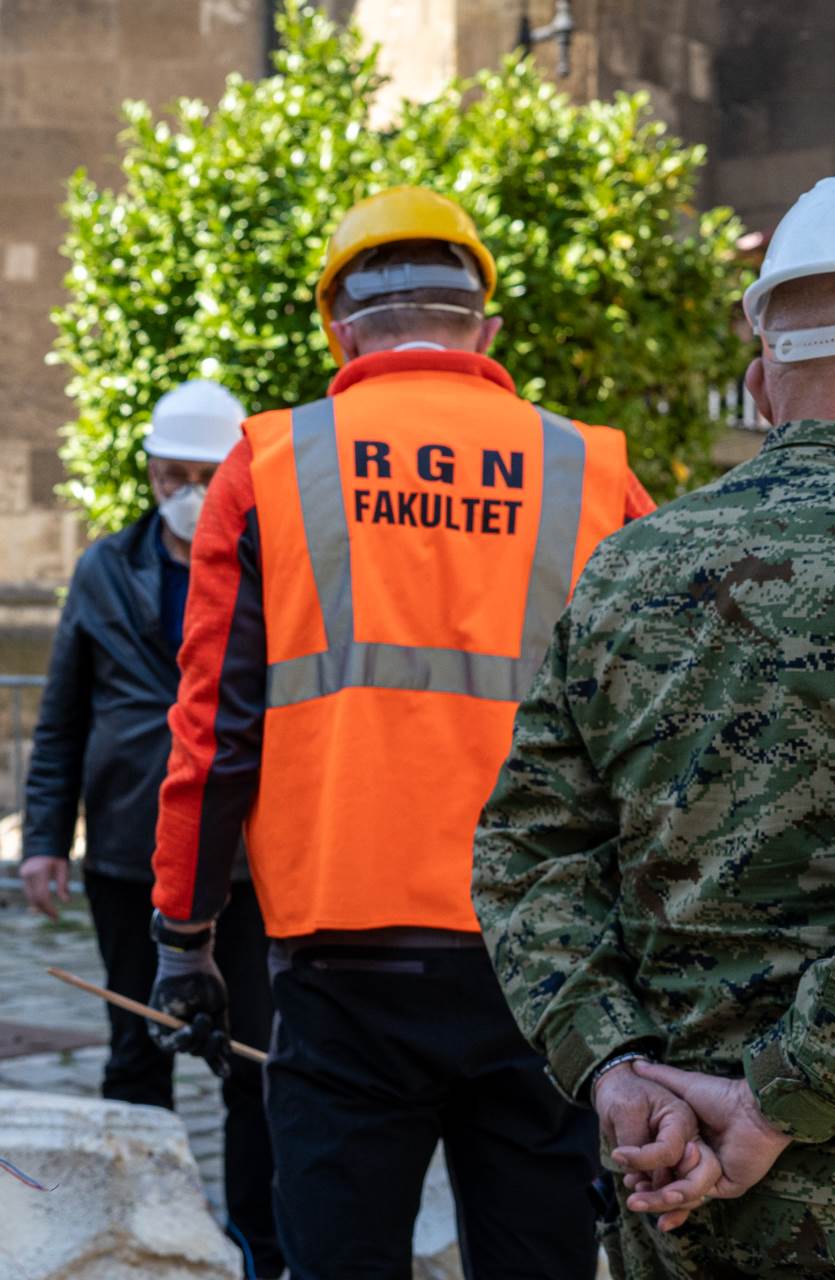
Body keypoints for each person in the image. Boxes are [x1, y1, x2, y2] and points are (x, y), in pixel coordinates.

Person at [148, 187, 658, 1279]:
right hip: (544, 959)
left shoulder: (271, 464)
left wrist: (183, 937)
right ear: (486, 328)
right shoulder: (591, 471)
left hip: (345, 962)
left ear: (338, 326)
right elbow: (670, 720)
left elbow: (213, 733)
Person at [474, 170, 835, 1279]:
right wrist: (778, 1098)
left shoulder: (629, 567)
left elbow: (525, 843)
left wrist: (617, 1070)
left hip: (678, 1204)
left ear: (759, 384)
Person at [21, 378, 284, 1277]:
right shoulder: (106, 568)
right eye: (173, 472)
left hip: (246, 861)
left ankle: (258, 1246)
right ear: (148, 472)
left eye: (206, 472)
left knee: (254, 1060)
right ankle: (141, 1233)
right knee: (135, 1050)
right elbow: (63, 716)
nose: (188, 488)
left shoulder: (276, 562)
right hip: (132, 850)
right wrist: (43, 838)